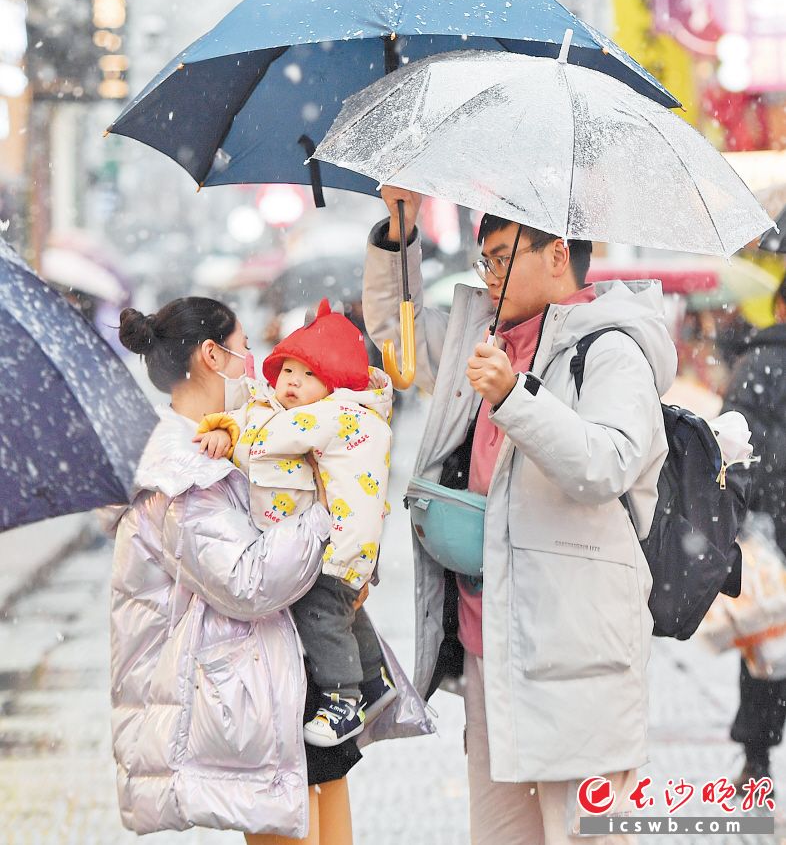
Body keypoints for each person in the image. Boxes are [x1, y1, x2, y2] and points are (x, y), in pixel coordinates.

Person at [363, 187, 678, 845]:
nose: (491, 277)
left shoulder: (611, 349)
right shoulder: (486, 335)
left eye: (502, 259)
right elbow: (401, 339)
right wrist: (399, 232)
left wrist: (514, 396)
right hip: (492, 645)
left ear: (558, 254)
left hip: (575, 653)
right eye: (485, 261)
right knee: (501, 836)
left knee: (585, 834)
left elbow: (607, 463)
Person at [104, 295, 356, 844]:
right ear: (211, 356)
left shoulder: (231, 440)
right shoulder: (181, 472)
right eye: (245, 349)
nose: (253, 364)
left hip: (287, 679)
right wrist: (329, 515)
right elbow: (248, 582)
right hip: (249, 698)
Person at [196, 299, 396, 748]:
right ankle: (374, 681)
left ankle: (343, 700)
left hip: (339, 547)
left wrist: (229, 436)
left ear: (332, 386)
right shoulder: (351, 411)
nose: (292, 383)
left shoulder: (334, 415)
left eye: (309, 376)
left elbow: (266, 440)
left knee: (320, 613)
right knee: (345, 611)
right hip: (354, 543)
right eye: (287, 370)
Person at [723, 274, 786, 788]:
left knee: (770, 642)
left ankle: (757, 758)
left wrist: (740, 518)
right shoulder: (757, 363)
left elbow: (735, 452)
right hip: (773, 523)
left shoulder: (754, 364)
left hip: (769, 526)